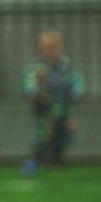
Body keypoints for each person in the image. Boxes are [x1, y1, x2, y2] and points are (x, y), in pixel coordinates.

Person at [22, 31, 84, 176]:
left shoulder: (65, 67)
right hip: (45, 109)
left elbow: (75, 81)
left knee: (64, 135)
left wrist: (77, 92)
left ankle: (57, 157)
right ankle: (37, 159)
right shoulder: (37, 69)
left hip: (63, 108)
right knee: (42, 135)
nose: (51, 51)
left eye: (55, 47)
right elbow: (29, 82)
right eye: (47, 48)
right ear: (40, 50)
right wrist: (33, 92)